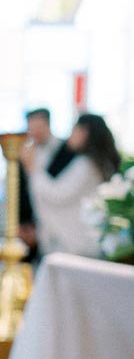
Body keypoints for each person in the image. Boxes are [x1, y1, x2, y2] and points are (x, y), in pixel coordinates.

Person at [24, 112, 120, 259]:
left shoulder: (87, 164)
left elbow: (57, 195)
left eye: (74, 129)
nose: (71, 135)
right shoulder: (94, 162)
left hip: (79, 243)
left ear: (84, 132)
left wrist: (33, 169)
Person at [17, 107, 74, 258]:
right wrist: (23, 223)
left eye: (38, 127)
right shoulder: (23, 152)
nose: (34, 131)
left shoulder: (67, 150)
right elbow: (20, 190)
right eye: (31, 127)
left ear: (47, 124)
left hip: (58, 223)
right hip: (30, 223)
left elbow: (62, 192)